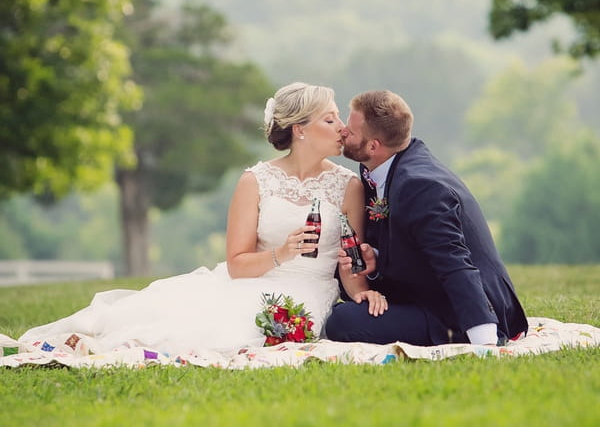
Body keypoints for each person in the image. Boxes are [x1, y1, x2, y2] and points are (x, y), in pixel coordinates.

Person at [19, 83, 367, 355]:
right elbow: (236, 265)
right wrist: (282, 253)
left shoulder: (347, 185)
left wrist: (365, 292)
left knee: (239, 330)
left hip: (309, 290)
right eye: (330, 118)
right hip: (249, 282)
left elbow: (350, 260)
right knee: (176, 322)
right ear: (299, 129)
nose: (342, 128)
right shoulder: (256, 180)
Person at [326, 89, 528, 347]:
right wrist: (376, 258)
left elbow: (454, 261)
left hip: (456, 310)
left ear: (374, 146)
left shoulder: (421, 186)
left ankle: (473, 333)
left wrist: (484, 341)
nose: (343, 131)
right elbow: (411, 243)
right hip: (424, 293)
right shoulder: (387, 162)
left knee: (343, 321)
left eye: (351, 132)